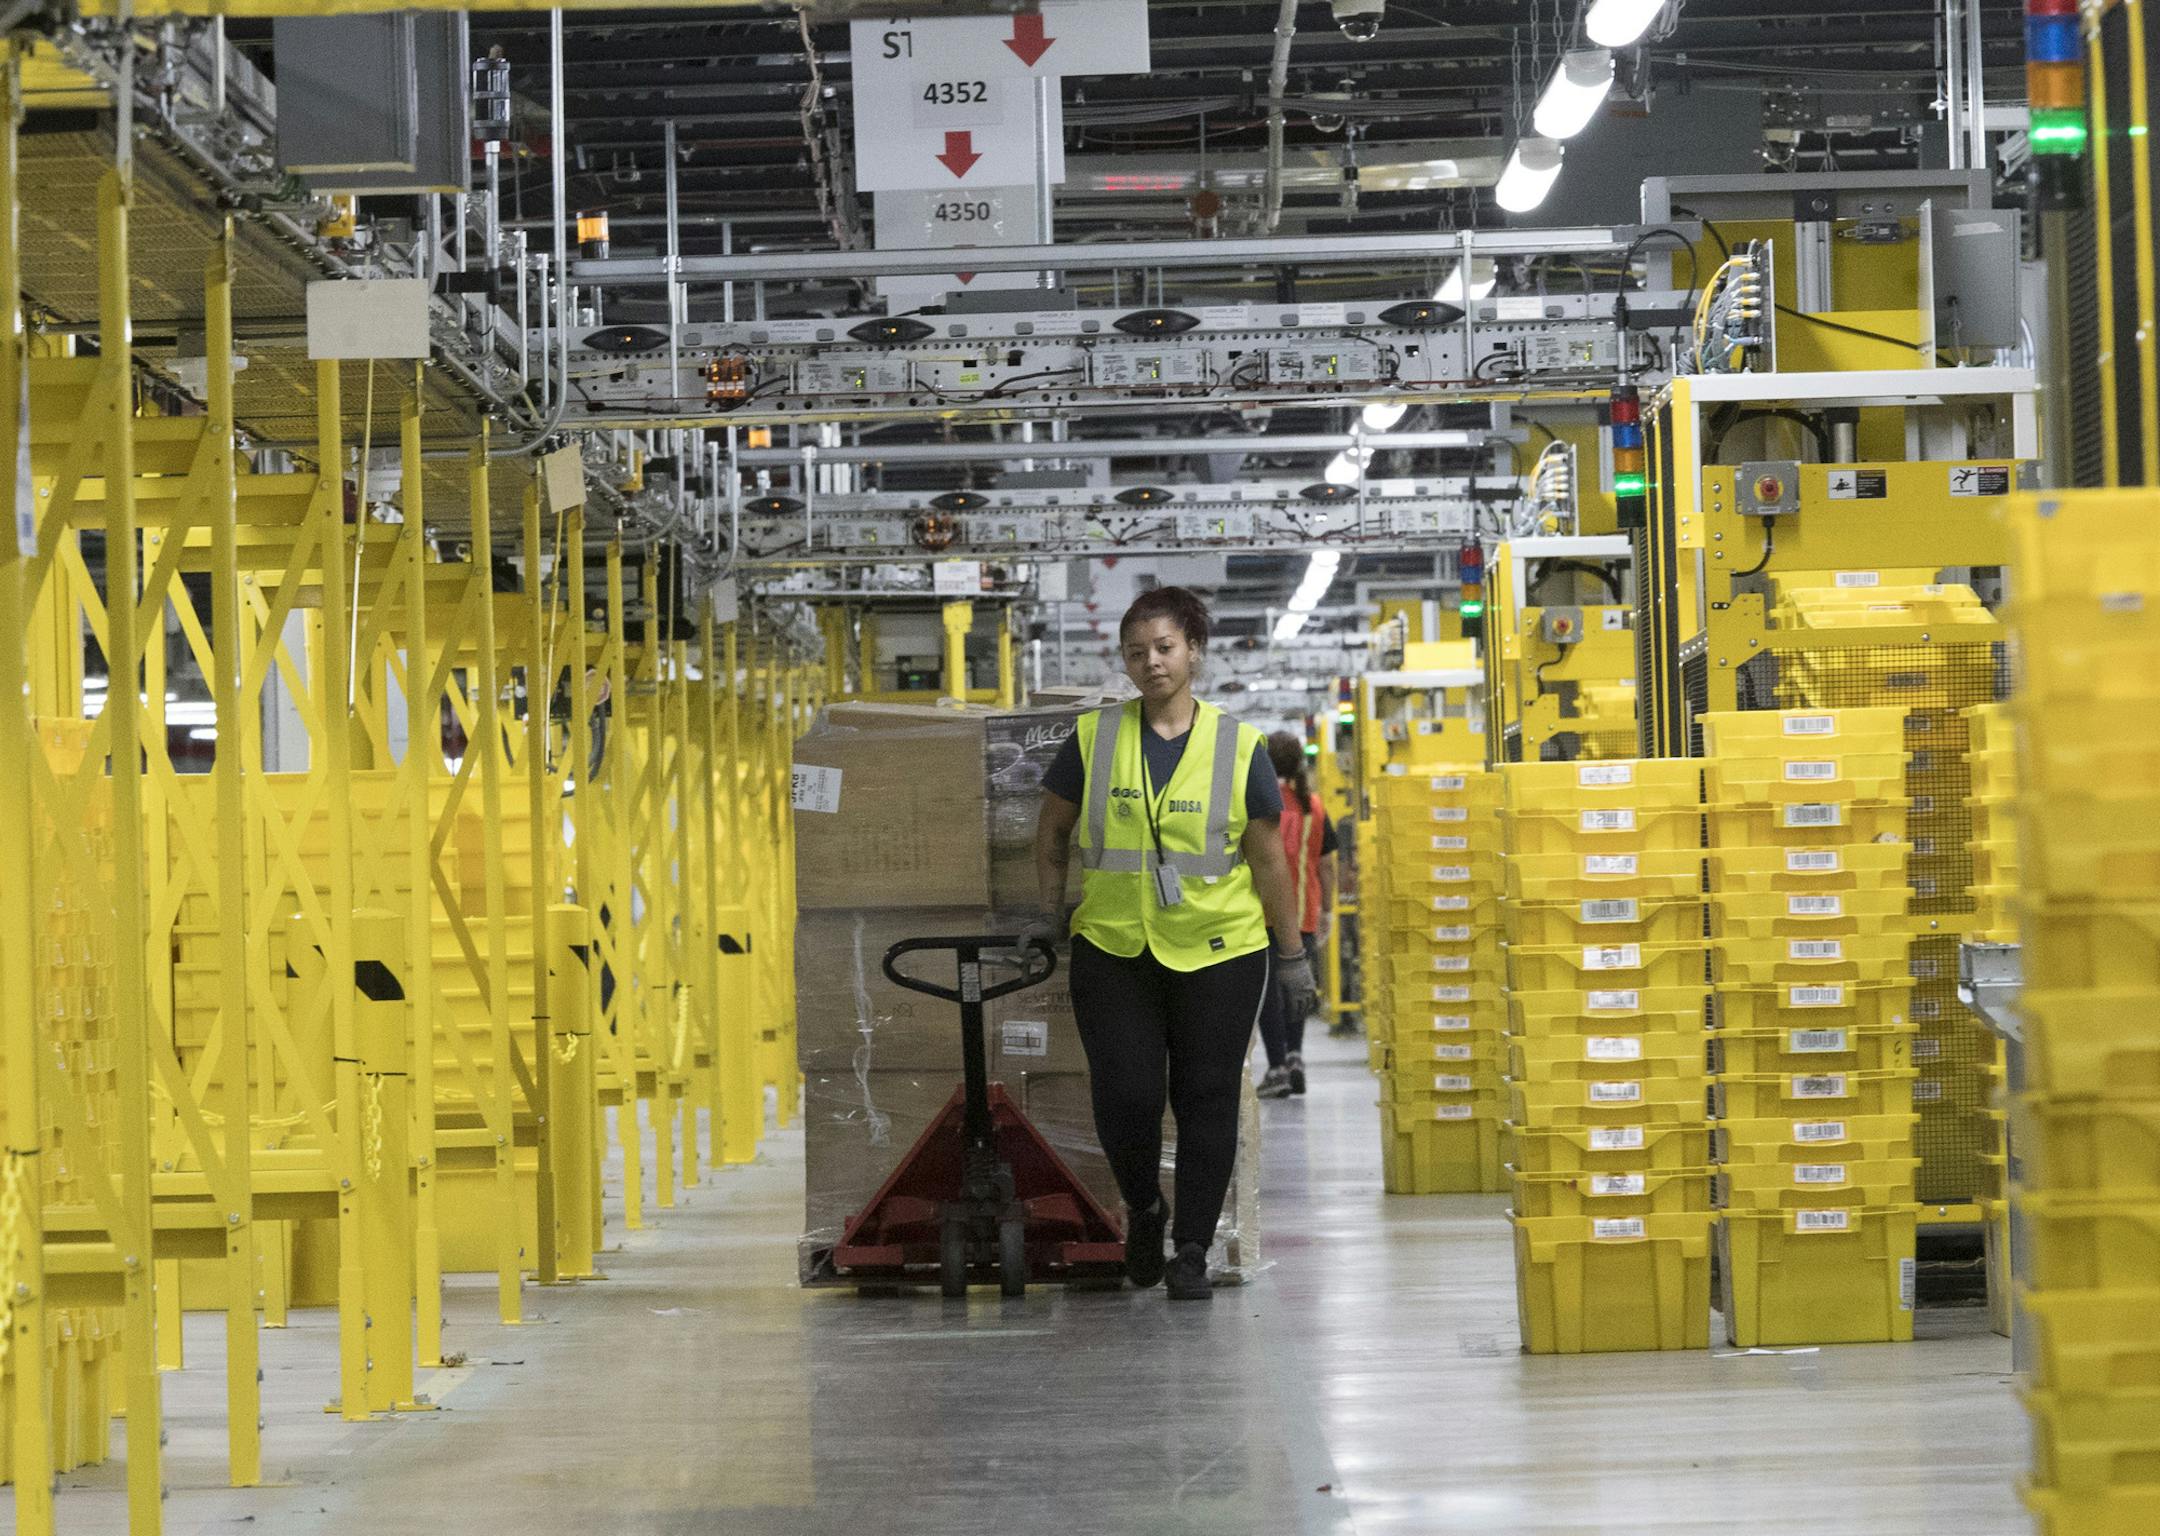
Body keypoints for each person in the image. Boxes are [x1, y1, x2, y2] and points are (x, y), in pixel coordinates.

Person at [1027, 587, 1315, 1301]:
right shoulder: (1095, 738)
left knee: (1207, 1096)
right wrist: (1046, 912)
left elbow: (1269, 859)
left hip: (1219, 949)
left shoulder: (1237, 744)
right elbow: (1052, 833)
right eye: (1136, 651)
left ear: (1193, 652)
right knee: (1126, 1094)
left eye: (1164, 647)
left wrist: (1291, 953)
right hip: (1115, 945)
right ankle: (1145, 1209)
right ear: (1123, 662)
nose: (1151, 662)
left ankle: (1191, 1249)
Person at [1255, 730, 1338, 1099]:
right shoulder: (1313, 806)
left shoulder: (1257, 801)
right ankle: (1295, 1057)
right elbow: (1327, 866)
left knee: (1267, 991)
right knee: (1296, 990)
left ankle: (1276, 1068)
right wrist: (1328, 911)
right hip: (1302, 910)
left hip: (1261, 913)